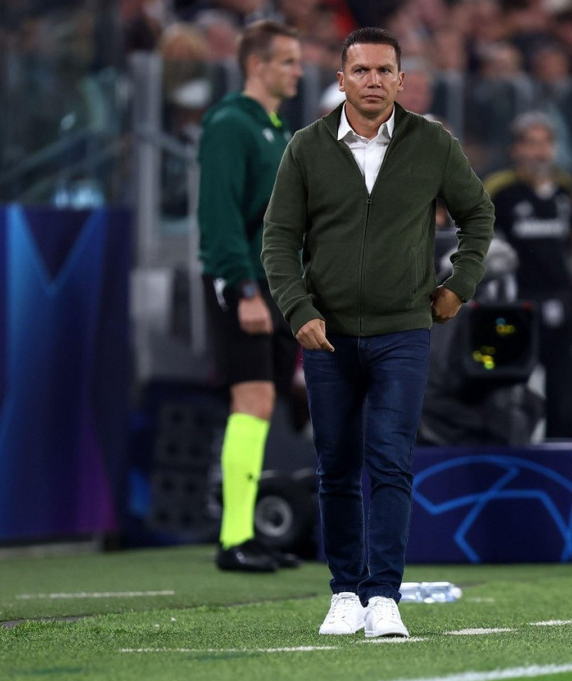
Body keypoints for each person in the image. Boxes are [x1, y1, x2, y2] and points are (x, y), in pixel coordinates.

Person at [261, 27, 494, 637]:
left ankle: (384, 595)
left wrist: (460, 284)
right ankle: (345, 592)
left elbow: (478, 213)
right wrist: (298, 309)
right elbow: (278, 238)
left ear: (401, 80)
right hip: (327, 335)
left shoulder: (433, 143)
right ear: (340, 80)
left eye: (384, 70)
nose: (372, 81)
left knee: (391, 461)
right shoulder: (306, 148)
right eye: (360, 71)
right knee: (336, 466)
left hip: (403, 331)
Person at [198, 19, 303, 573]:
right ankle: (234, 537)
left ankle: (245, 533)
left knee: (263, 407)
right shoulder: (229, 125)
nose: (298, 71)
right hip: (244, 282)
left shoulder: (276, 128)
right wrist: (242, 289)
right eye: (287, 61)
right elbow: (217, 217)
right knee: (252, 402)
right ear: (256, 65)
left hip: (276, 283)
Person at [483, 112, 572, 440]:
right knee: (510, 397)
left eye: (546, 143)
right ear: (516, 149)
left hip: (563, 304)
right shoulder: (499, 190)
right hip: (517, 307)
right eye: (531, 143)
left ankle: (563, 454)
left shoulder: (565, 190)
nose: (539, 152)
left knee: (566, 398)